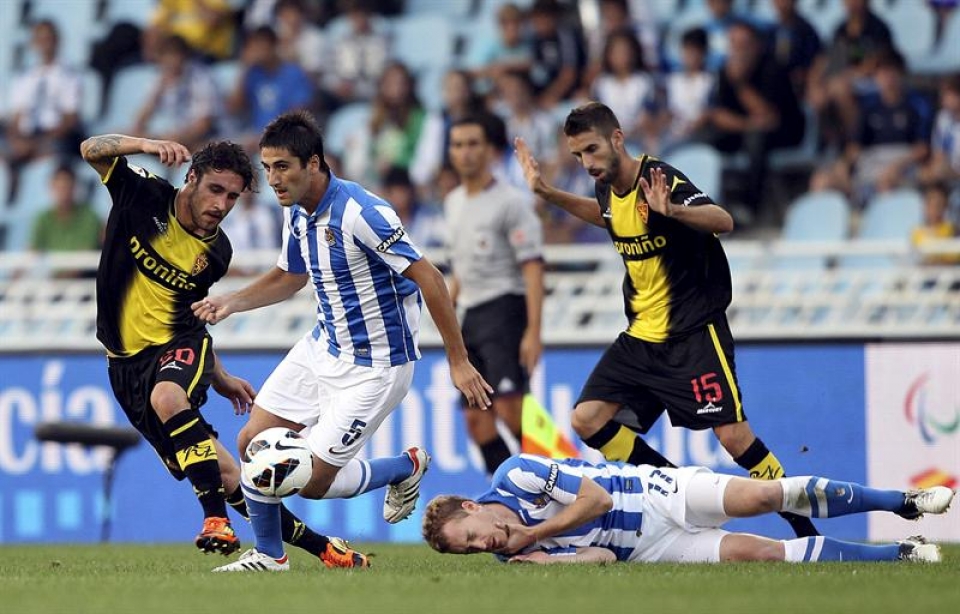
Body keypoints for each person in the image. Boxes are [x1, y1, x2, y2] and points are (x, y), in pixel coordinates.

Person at [191, 110, 493, 572]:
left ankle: (404, 467)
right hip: (323, 346)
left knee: (309, 482)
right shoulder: (297, 211)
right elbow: (291, 276)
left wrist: (458, 361)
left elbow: (429, 278)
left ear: (314, 163)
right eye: (268, 167)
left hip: (377, 365)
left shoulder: (362, 212)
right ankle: (271, 555)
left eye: (282, 167)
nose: (272, 179)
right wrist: (233, 301)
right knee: (254, 441)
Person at [513, 101, 819, 539]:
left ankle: (803, 525)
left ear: (618, 138)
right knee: (587, 419)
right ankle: (677, 490)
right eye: (579, 155)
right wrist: (549, 194)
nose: (588, 163)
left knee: (734, 438)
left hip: (693, 332)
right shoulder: (606, 186)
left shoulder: (660, 178)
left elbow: (723, 219)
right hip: (641, 337)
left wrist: (674, 211)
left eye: (593, 150)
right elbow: (606, 218)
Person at [79, 132, 363, 569]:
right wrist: (146, 145)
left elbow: (191, 316)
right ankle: (326, 549)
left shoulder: (216, 251)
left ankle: (213, 520)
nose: (221, 205)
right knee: (231, 476)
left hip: (178, 346)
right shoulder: (142, 193)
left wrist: (216, 372)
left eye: (232, 197)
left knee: (168, 397)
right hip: (124, 365)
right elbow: (90, 149)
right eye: (215, 190)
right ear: (191, 178)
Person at [422, 453, 955, 564]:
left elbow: (598, 499)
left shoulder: (514, 476)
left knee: (766, 495)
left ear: (474, 505)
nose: (482, 546)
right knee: (765, 554)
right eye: (469, 552)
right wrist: (549, 561)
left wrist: (538, 535)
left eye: (471, 534)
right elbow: (601, 563)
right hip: (653, 548)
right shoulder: (509, 561)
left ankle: (904, 501)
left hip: (654, 492)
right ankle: (901, 554)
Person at [444, 115, 545, 475]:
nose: (465, 152)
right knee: (478, 421)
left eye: (473, 144)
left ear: (488, 150)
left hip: (505, 311)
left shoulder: (511, 203)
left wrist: (534, 332)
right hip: (469, 317)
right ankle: (515, 498)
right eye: (457, 144)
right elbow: (460, 265)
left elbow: (533, 267)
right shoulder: (453, 201)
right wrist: (447, 309)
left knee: (512, 411)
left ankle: (564, 489)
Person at [29, 164, 103, 260]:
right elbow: (32, 251)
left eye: (67, 186)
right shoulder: (43, 217)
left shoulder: (90, 217)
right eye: (59, 187)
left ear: (75, 187)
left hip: (85, 273)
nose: (63, 192)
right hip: (51, 273)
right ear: (52, 187)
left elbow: (84, 256)